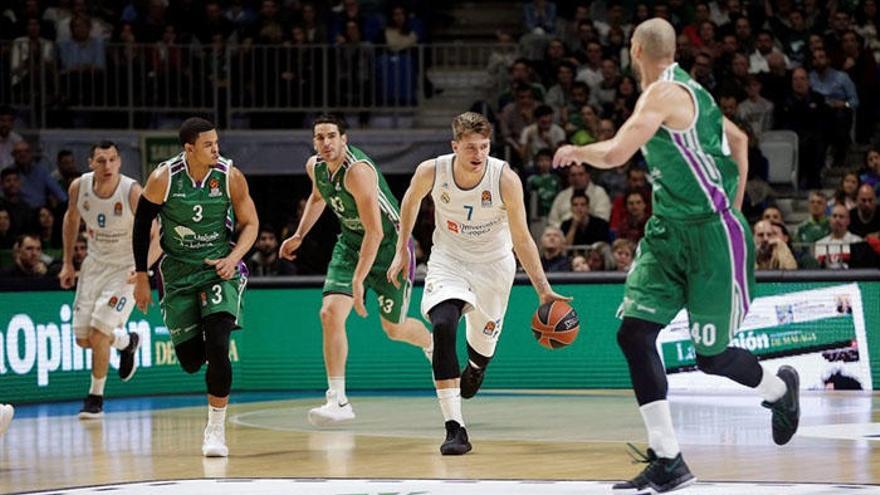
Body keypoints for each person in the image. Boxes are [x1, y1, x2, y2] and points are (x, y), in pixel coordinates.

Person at [553, 18, 800, 493]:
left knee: (712, 357)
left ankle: (779, 389)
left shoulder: (663, 94)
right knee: (635, 333)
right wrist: (733, 196)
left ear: (637, 48)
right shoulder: (696, 95)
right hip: (668, 232)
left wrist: (577, 152)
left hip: (711, 238)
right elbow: (742, 142)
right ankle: (668, 457)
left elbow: (618, 154)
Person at [387, 112, 568, 455]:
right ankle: (455, 428)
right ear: (455, 146)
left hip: (494, 267)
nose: (478, 154)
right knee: (442, 325)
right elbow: (409, 202)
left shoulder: (505, 178)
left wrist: (543, 289)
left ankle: (476, 367)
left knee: (480, 351)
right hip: (449, 260)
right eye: (471, 147)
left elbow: (523, 238)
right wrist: (402, 251)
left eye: (484, 146)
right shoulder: (432, 171)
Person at [279, 114, 432, 426]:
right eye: (319, 137)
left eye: (331, 136)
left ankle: (432, 344)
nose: (325, 143)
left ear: (344, 139)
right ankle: (338, 399)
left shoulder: (357, 172)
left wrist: (359, 281)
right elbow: (318, 197)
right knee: (329, 314)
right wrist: (299, 234)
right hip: (350, 246)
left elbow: (375, 232)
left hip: (391, 249)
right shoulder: (316, 167)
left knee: (394, 329)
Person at [132, 118, 259, 457]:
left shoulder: (230, 176)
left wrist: (234, 257)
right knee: (191, 361)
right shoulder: (163, 178)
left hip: (219, 269)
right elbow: (142, 223)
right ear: (189, 149)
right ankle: (202, 331)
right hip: (176, 273)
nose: (216, 149)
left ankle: (215, 430)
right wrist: (141, 275)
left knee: (218, 346)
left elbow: (251, 223)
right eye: (208, 145)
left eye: (216, 142)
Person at [58, 141, 157, 419]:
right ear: (90, 163)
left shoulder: (131, 191)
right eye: (101, 161)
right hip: (93, 267)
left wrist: (141, 271)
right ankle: (126, 342)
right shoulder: (79, 187)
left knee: (100, 334)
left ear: (120, 162)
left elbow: (158, 236)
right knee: (84, 340)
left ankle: (95, 398)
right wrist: (67, 262)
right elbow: (71, 219)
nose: (108, 166)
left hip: (125, 269)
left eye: (113, 160)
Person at [815, 205, 862, 269]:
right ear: (830, 220)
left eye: (841, 217)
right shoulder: (820, 244)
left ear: (848, 221)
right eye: (834, 216)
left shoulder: (857, 242)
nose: (837, 219)